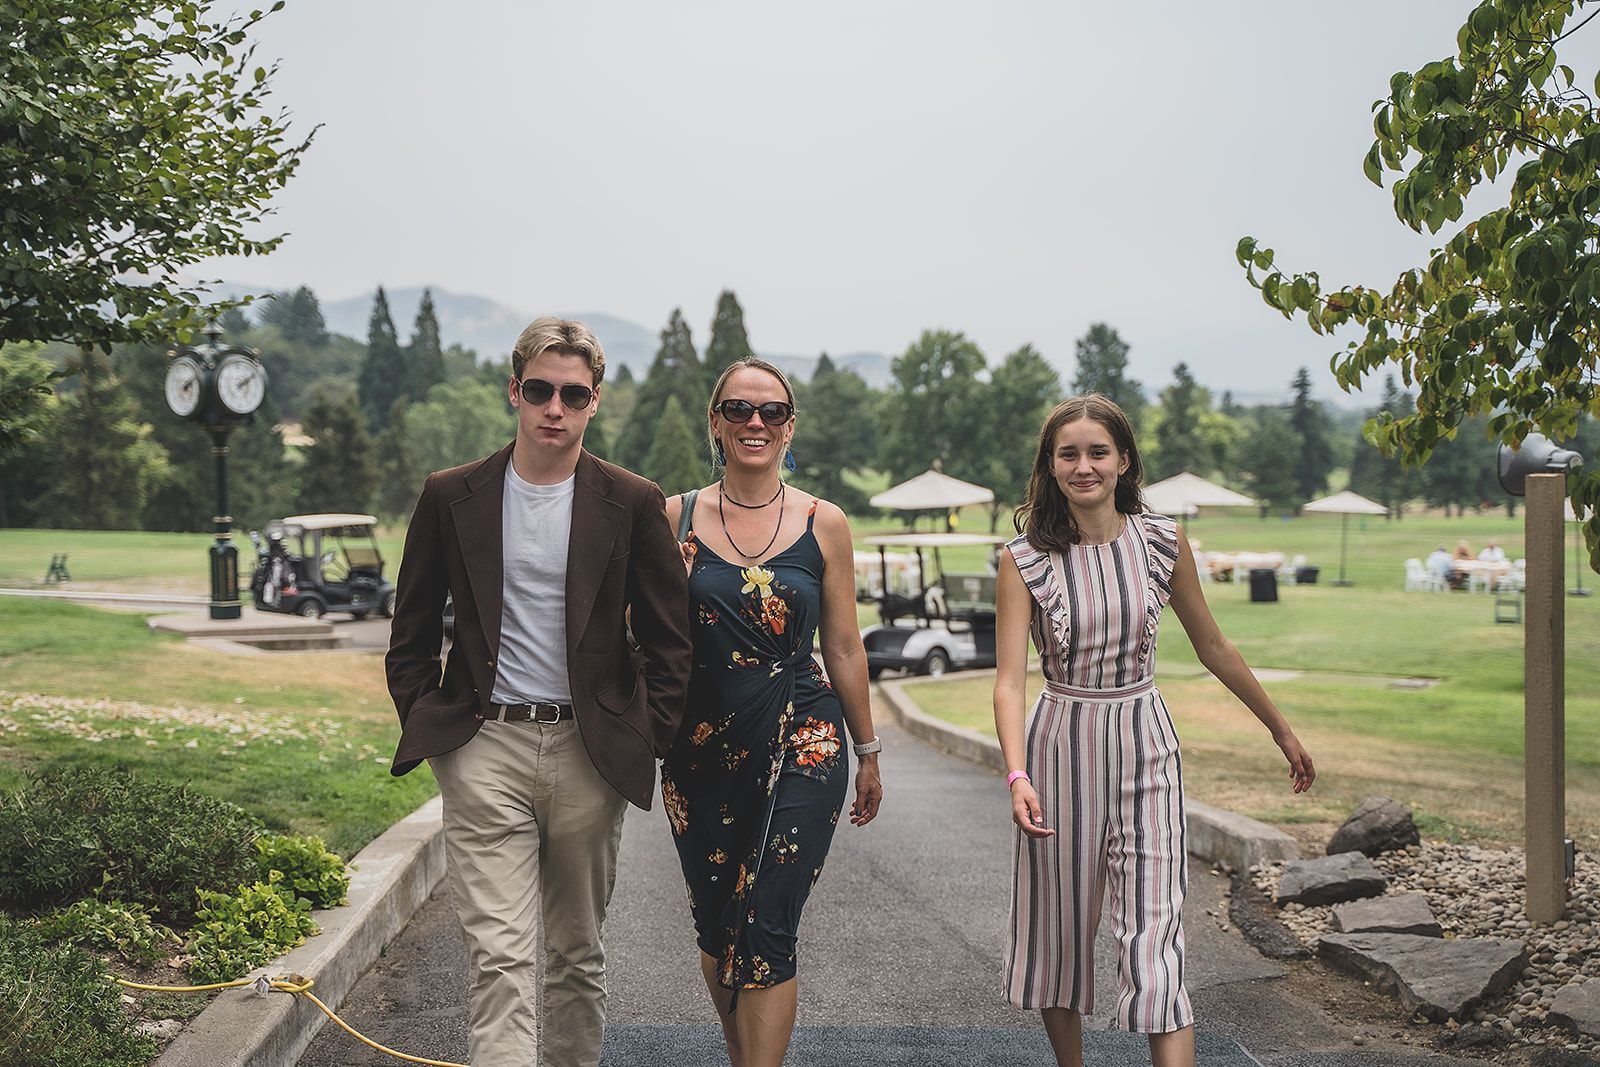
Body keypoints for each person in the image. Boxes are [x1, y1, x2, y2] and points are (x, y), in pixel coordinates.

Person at [384, 317, 692, 1067]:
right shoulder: (450, 495)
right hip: (483, 746)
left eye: (573, 394)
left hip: (591, 752)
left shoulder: (633, 500)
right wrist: (435, 728)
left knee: (575, 954)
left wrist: (643, 733)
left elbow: (670, 640)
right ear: (514, 391)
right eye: (540, 390)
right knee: (499, 956)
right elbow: (411, 629)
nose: (555, 407)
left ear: (594, 401)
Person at [993, 395, 1315, 1067]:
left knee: (1156, 932)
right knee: (1059, 932)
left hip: (1146, 743)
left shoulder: (1163, 541)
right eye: (1069, 454)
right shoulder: (1022, 559)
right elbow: (1009, 681)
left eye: (1098, 452)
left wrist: (1280, 730)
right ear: (1050, 466)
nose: (1084, 466)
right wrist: (1017, 773)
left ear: (1124, 460)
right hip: (1058, 748)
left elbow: (1214, 645)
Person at [661, 356, 883, 1067]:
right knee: (717, 923)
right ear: (716, 422)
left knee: (766, 923)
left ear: (791, 426)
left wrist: (869, 750)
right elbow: (644, 637)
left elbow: (843, 645)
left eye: (772, 411)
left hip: (805, 735)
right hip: (701, 746)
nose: (755, 422)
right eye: (738, 409)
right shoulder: (674, 517)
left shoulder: (825, 522)